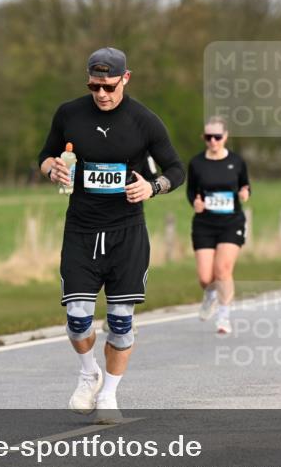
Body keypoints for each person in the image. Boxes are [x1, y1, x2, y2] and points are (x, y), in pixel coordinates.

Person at [39, 47, 185, 421]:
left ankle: (109, 395)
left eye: (108, 86)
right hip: (81, 230)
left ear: (126, 78)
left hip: (126, 233)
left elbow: (175, 169)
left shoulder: (144, 121)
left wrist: (153, 188)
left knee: (120, 324)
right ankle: (89, 372)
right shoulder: (69, 114)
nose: (101, 94)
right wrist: (51, 168)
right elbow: (44, 156)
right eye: (94, 86)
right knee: (77, 317)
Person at [186, 117, 251, 335]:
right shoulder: (196, 163)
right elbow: (190, 191)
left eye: (217, 137)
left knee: (223, 270)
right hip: (205, 223)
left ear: (225, 136)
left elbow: (245, 184)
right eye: (208, 137)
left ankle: (224, 317)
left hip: (231, 222)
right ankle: (210, 294)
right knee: (206, 278)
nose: (213, 141)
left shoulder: (237, 161)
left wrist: (245, 192)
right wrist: (195, 203)